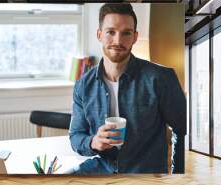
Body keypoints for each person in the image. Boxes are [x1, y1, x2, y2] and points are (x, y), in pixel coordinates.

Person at [68, 3, 186, 174]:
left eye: (126, 33)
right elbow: (76, 136)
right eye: (110, 32)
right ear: (99, 35)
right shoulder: (83, 85)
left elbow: (182, 131)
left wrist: (177, 177)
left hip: (145, 174)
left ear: (135, 37)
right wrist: (93, 141)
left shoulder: (161, 78)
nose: (118, 41)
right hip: (101, 168)